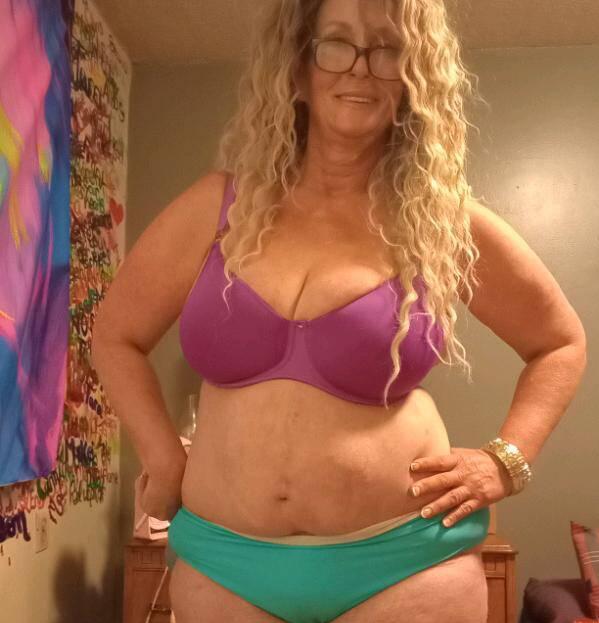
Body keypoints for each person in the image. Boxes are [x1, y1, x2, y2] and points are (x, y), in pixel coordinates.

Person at [91, 1, 587, 622]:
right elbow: (115, 336)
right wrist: (163, 456)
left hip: (403, 564)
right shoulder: (218, 207)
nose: (359, 67)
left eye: (386, 50)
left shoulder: (444, 225)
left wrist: (505, 461)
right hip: (227, 564)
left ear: (412, 80)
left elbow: (560, 343)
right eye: (336, 44)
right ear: (298, 69)